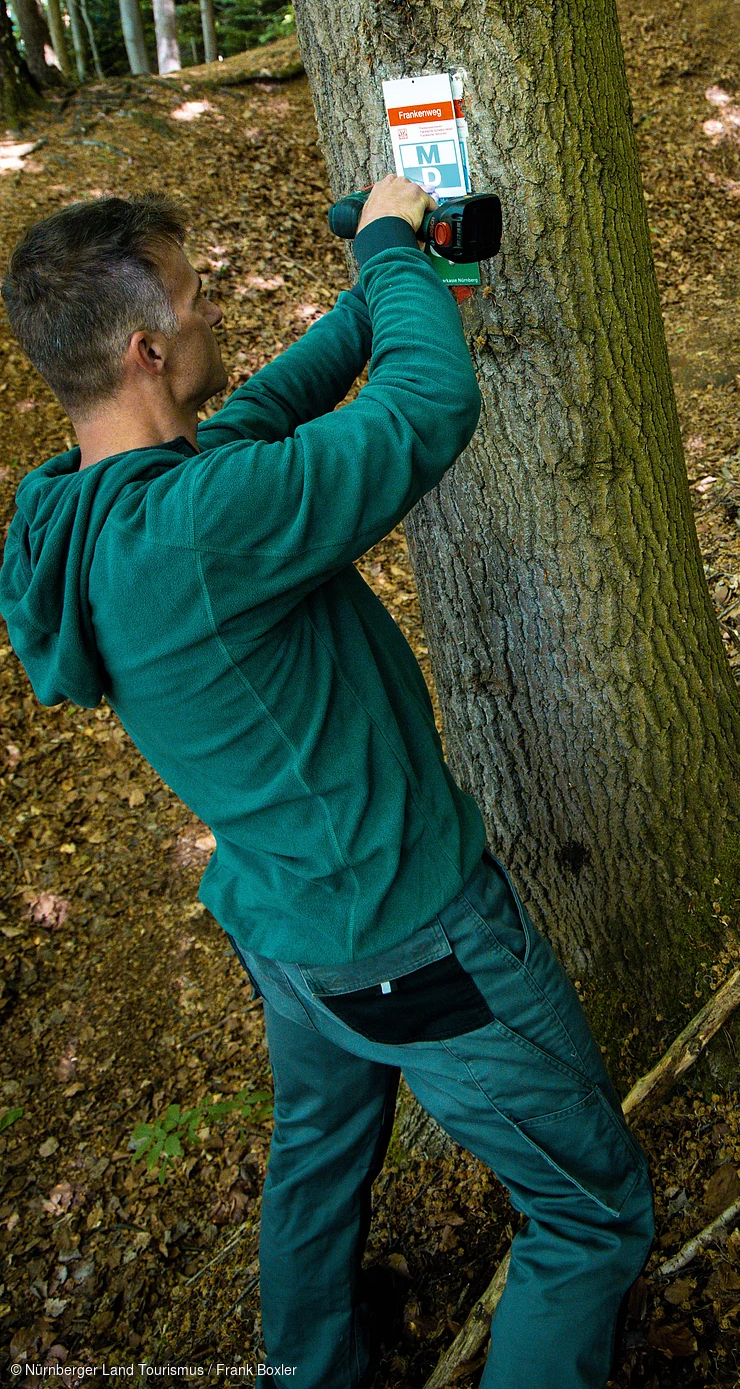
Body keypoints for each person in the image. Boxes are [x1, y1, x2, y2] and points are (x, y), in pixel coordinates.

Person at [0, 182, 654, 1389]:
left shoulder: (78, 511)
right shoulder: (197, 530)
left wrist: (390, 277)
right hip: (409, 933)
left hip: (289, 927)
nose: (214, 315)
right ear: (149, 349)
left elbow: (261, 414)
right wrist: (399, 249)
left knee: (316, 1153)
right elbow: (429, 405)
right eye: (196, 304)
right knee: (589, 1216)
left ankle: (310, 1371)